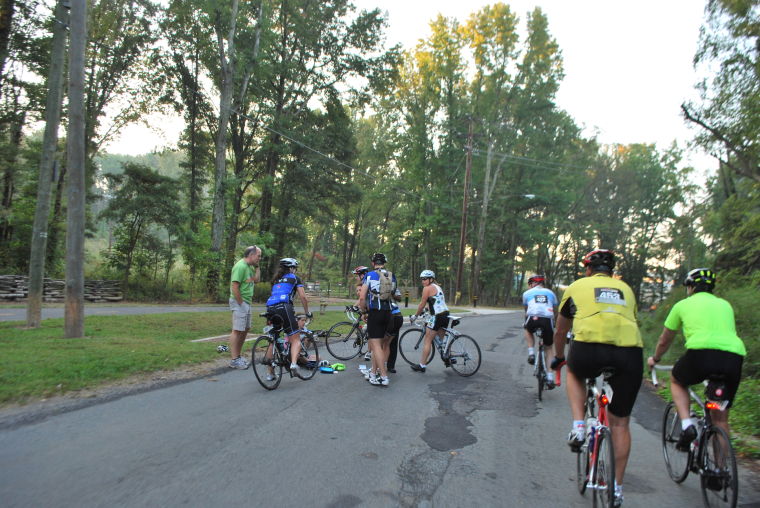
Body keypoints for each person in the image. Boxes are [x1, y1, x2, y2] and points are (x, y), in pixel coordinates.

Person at [551, 249, 642, 508]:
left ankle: (579, 426)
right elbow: (632, 320)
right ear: (611, 272)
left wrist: (559, 357)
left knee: (575, 372)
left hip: (589, 347)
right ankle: (616, 489)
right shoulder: (626, 289)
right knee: (621, 424)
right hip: (629, 351)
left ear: (588, 269)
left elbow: (561, 329)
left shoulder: (577, 286)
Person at [647, 268, 745, 450]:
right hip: (733, 356)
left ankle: (687, 426)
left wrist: (656, 358)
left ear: (691, 287)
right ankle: (722, 471)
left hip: (701, 353)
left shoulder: (683, 305)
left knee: (677, 380)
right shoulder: (725, 305)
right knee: (721, 419)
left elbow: (665, 339)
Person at [266, 258, 311, 377]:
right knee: (295, 338)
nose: (295, 271)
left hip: (270, 308)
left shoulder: (275, 280)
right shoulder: (294, 278)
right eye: (295, 268)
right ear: (291, 268)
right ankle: (294, 365)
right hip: (284, 307)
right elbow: (303, 297)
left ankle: (270, 373)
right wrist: (307, 313)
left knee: (273, 338)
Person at [358, 253, 397, 386]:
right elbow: (395, 295)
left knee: (375, 346)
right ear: (384, 262)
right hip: (388, 313)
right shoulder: (392, 275)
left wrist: (363, 311)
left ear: (373, 263)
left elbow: (362, 297)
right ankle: (373, 374)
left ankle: (384, 377)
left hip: (375, 313)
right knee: (379, 346)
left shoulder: (369, 275)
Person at [522, 274, 559, 387]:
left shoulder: (527, 293)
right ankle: (550, 378)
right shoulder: (551, 293)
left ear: (532, 284)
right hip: (547, 320)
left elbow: (526, 309)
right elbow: (554, 309)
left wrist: (526, 320)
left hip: (533, 318)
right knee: (548, 348)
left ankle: (531, 353)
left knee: (527, 329)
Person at [228, 245, 261, 369]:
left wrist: (257, 267)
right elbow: (234, 286)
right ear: (251, 255)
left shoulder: (249, 267)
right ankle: (234, 359)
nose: (259, 258)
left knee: (246, 328)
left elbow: (256, 280)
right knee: (237, 330)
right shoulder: (240, 266)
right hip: (239, 302)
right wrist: (240, 302)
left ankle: (238, 355)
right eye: (258, 256)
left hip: (246, 302)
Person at [410, 270, 449, 373]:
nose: (423, 281)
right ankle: (448, 357)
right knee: (442, 342)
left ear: (431, 279)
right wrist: (426, 310)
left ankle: (422, 365)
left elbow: (422, 304)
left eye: (425, 279)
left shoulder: (427, 288)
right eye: (422, 279)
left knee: (427, 341)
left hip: (436, 316)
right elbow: (434, 302)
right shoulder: (437, 287)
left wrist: (415, 316)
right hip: (445, 314)